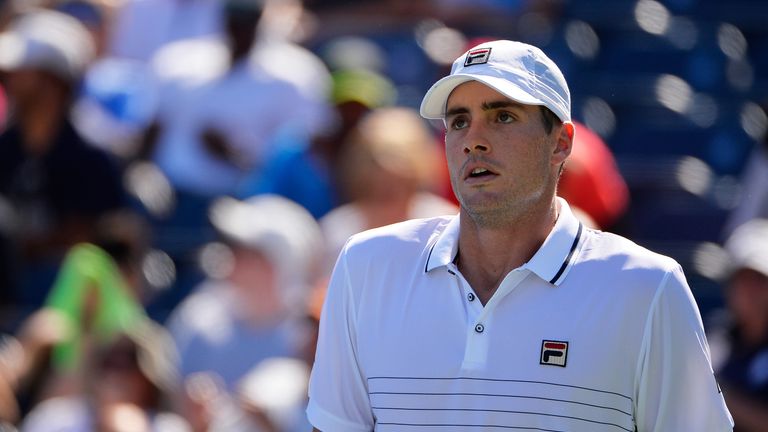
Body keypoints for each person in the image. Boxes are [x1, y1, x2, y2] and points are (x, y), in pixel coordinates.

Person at [307, 40, 733, 431]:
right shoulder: (365, 265)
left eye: (503, 116)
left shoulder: (649, 286)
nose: (473, 141)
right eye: (459, 121)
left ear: (560, 143)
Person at [710, 219, 768, 431]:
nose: (749, 291)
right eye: (742, 279)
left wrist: (719, 395)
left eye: (759, 280)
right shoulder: (718, 338)